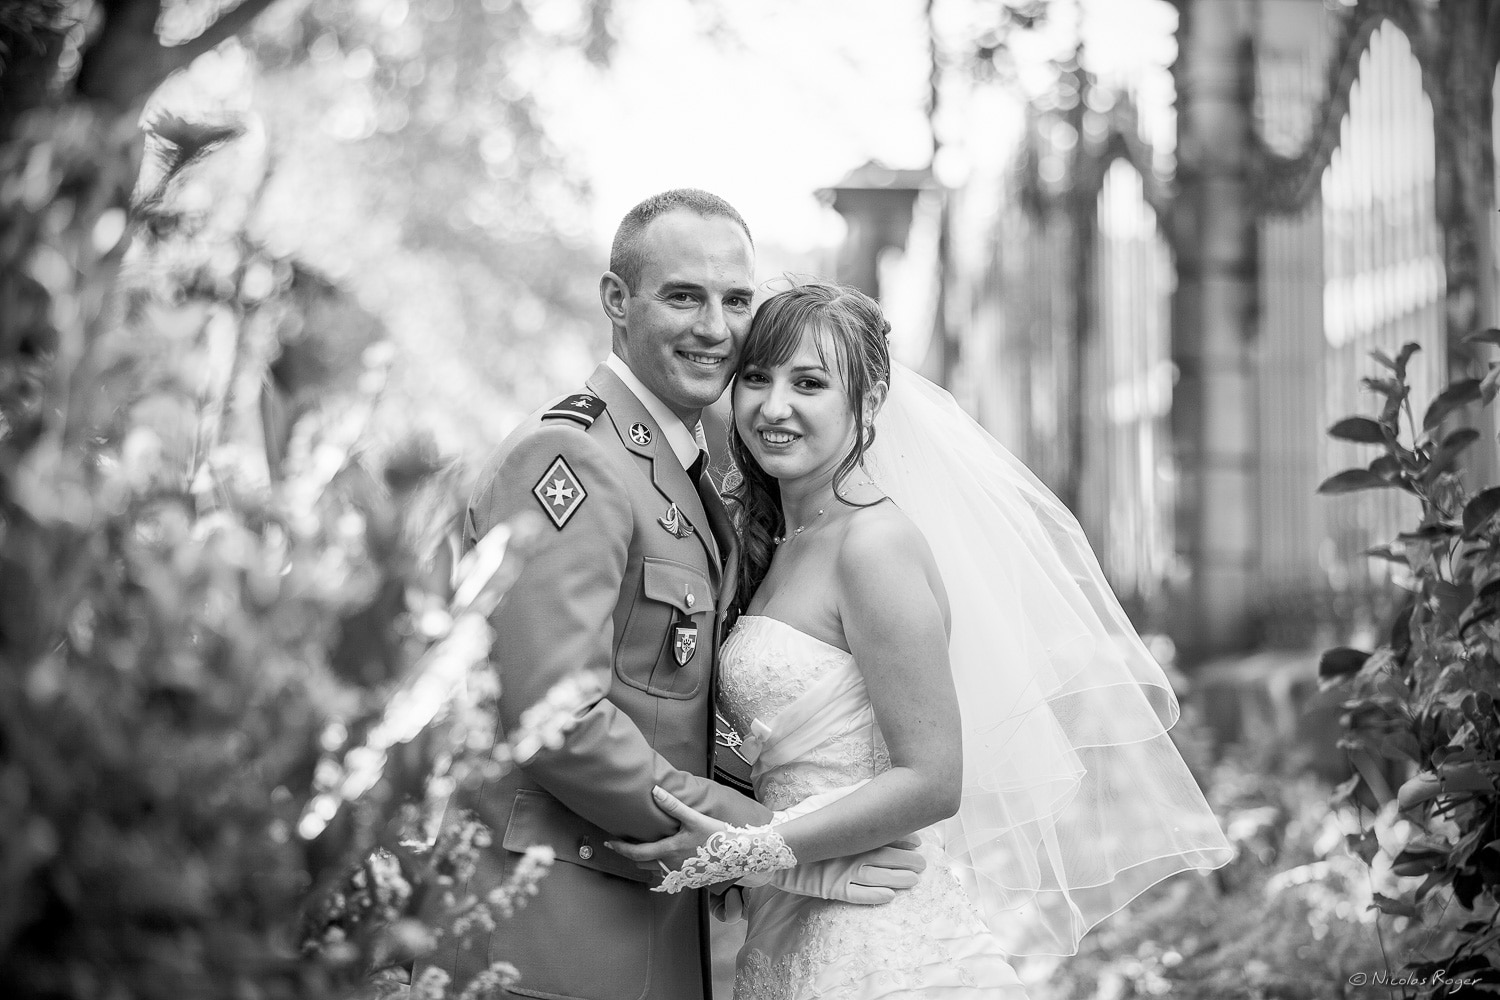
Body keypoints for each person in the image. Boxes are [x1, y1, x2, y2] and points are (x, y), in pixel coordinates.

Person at [613, 280, 1233, 999]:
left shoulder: (874, 545)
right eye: (757, 377)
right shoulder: (782, 541)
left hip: (879, 942)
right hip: (793, 914)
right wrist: (762, 860)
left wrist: (741, 850)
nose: (772, 406)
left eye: (808, 383)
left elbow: (932, 779)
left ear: (868, 401)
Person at [423, 195, 926, 1000]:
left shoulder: (675, 468)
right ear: (617, 302)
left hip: (648, 909)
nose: (716, 328)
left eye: (735, 301)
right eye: (683, 296)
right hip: (553, 929)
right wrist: (770, 840)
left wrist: (792, 832)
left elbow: (677, 705)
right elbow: (561, 720)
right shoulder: (574, 458)